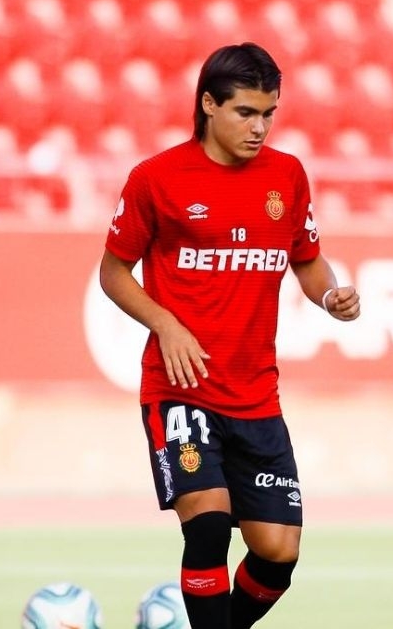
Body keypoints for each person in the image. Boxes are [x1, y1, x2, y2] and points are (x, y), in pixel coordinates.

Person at [99, 42, 360, 629]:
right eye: (245, 112)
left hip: (256, 394)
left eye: (268, 113)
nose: (259, 127)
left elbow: (307, 259)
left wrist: (329, 295)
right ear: (209, 104)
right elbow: (112, 273)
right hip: (181, 389)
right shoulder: (156, 179)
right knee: (210, 524)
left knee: (278, 552)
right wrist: (166, 323)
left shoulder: (287, 176)